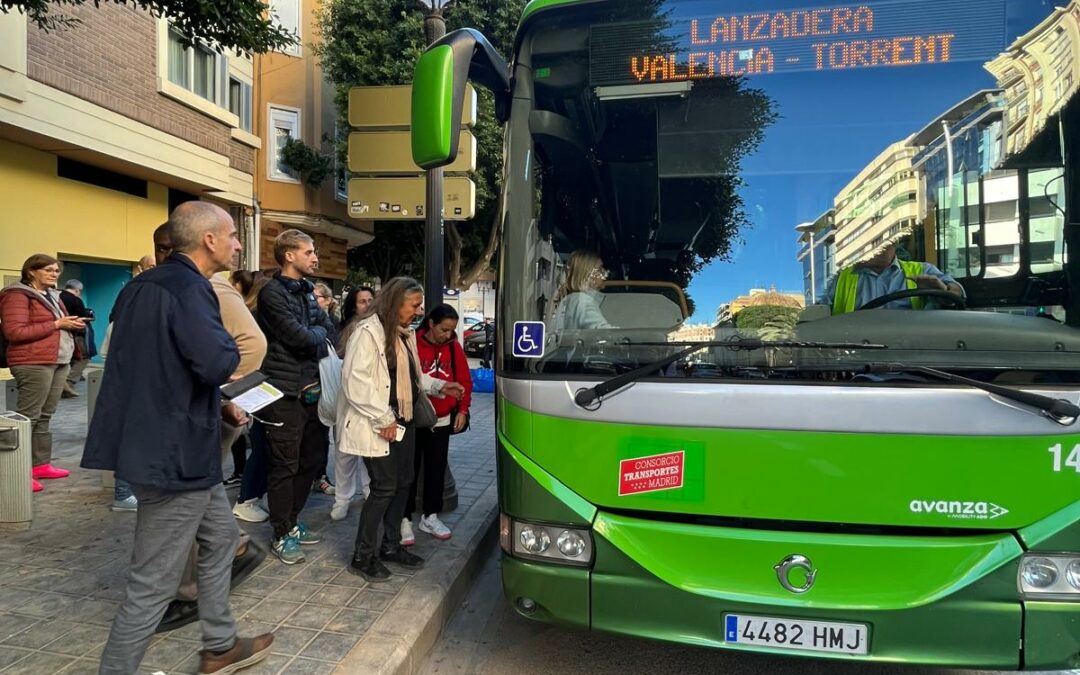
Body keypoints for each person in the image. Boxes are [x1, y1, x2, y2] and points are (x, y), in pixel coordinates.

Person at [81, 201, 273, 674]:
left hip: (167, 444)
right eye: (231, 235)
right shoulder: (193, 288)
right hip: (173, 455)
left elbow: (158, 367)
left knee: (223, 538)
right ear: (208, 240)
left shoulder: (141, 285)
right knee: (151, 585)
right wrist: (225, 353)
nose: (237, 243)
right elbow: (215, 360)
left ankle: (221, 645)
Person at [337, 277, 464, 582]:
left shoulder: (403, 334)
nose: (418, 311)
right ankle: (362, 555)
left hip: (403, 421)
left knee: (403, 483)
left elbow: (415, 378)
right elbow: (355, 383)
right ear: (395, 302)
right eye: (414, 305)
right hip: (379, 424)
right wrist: (384, 420)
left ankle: (391, 546)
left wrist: (440, 386)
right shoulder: (367, 332)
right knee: (383, 488)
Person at [256, 229, 336, 565]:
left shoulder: (306, 291)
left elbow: (329, 329)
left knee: (312, 459)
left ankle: (292, 520)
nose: (314, 257)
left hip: (312, 391)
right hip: (283, 391)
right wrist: (315, 334)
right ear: (289, 255)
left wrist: (315, 333)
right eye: (308, 252)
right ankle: (280, 530)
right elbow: (298, 336)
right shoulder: (272, 293)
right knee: (285, 463)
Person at [0, 255, 83, 492]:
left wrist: (72, 323)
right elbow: (14, 331)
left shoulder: (52, 296)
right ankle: (18, 470)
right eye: (48, 270)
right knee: (29, 417)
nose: (55, 274)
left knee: (46, 415)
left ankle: (40, 465)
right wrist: (58, 325)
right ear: (31, 271)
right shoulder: (16, 295)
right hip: (33, 362)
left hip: (58, 360)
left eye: (57, 270)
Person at [405, 304, 473, 542]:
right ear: (431, 324)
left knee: (436, 468)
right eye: (444, 329)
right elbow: (407, 378)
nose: (448, 334)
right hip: (412, 417)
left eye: (452, 330)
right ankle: (404, 519)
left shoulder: (453, 347)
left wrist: (463, 409)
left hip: (441, 419)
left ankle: (430, 516)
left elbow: (464, 380)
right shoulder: (410, 343)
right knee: (408, 470)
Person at [329, 287, 375, 522]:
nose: (366, 304)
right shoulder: (346, 329)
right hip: (346, 399)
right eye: (361, 301)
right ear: (352, 305)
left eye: (370, 300)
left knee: (369, 451)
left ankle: (369, 491)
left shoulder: (379, 327)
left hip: (370, 401)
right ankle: (342, 499)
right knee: (344, 452)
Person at [824, 241, 965, 314]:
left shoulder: (922, 270)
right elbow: (815, 312)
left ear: (894, 243)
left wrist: (943, 290)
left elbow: (957, 295)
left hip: (911, 359)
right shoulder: (838, 278)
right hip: (855, 362)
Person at [311, 282, 339, 496]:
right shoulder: (308, 320)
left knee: (322, 435)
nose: (312, 300)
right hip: (313, 386)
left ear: (328, 300)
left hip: (326, 387)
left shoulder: (332, 323)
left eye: (317, 296)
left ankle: (320, 476)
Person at [553, 250, 613, 331]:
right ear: (586, 273)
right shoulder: (583, 300)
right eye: (599, 269)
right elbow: (603, 332)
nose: (605, 274)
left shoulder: (570, 300)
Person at [59, 279, 95, 398]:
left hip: (59, 334)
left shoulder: (57, 297)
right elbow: (82, 318)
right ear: (77, 290)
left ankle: (61, 384)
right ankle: (67, 382)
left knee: (66, 359)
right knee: (83, 357)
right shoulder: (76, 300)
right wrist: (89, 316)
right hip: (76, 334)